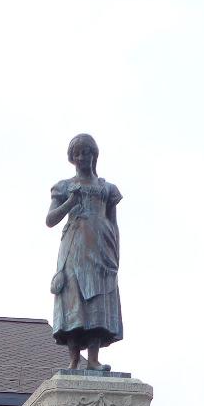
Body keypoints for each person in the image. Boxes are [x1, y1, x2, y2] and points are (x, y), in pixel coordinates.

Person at [47, 132, 123, 372]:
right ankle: (73, 359)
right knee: (73, 299)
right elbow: (50, 219)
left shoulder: (107, 188)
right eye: (77, 153)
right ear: (72, 158)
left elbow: (113, 222)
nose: (82, 157)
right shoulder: (64, 186)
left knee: (98, 300)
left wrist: (115, 252)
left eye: (86, 152)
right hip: (74, 248)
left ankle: (93, 358)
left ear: (94, 155)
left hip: (101, 247)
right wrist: (70, 202)